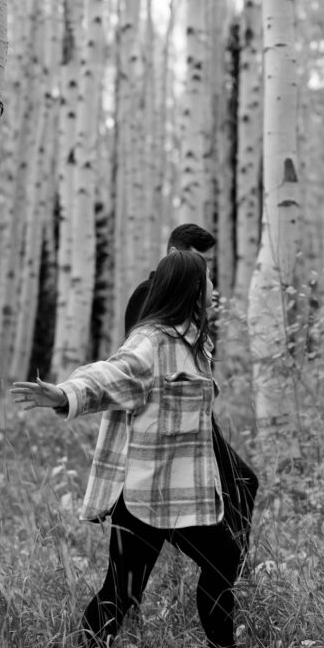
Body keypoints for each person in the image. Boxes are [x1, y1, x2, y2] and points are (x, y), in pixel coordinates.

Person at [12, 250, 242, 648]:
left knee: (222, 560)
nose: (214, 289)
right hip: (142, 492)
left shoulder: (195, 343)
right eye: (209, 281)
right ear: (192, 288)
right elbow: (109, 375)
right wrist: (63, 394)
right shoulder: (150, 342)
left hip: (183, 492)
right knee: (123, 591)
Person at [125, 224, 258, 566]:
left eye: (209, 267)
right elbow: (133, 364)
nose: (206, 273)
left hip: (195, 421)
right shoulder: (150, 296)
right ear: (176, 256)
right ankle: (219, 560)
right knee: (136, 551)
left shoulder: (195, 301)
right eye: (203, 262)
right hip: (165, 427)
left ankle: (230, 567)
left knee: (243, 482)